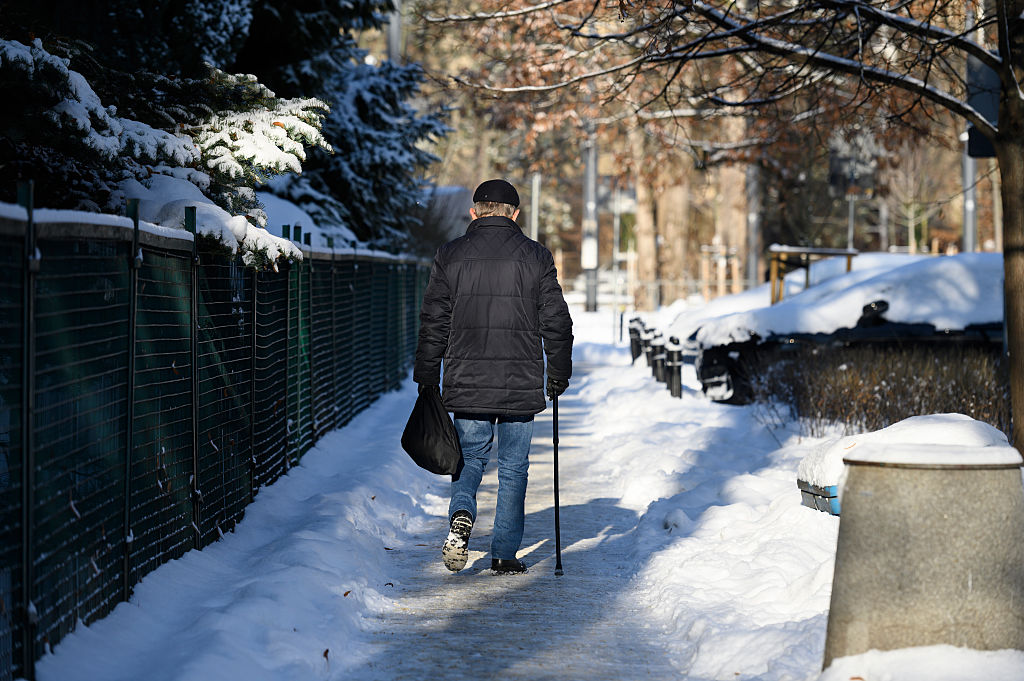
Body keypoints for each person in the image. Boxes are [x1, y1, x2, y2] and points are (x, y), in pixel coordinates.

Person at [414, 179, 573, 574]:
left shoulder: (450, 255)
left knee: (470, 458)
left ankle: (462, 512)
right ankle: (503, 554)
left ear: (474, 212)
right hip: (520, 380)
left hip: (466, 378)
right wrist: (559, 372)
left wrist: (427, 374)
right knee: (515, 467)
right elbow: (557, 322)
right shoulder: (536, 256)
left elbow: (434, 319)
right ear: (515, 214)